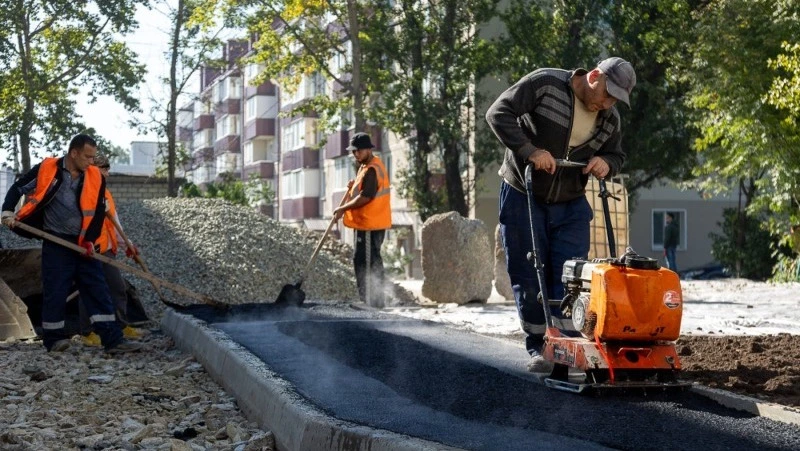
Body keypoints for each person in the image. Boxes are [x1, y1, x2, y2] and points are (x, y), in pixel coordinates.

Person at [485, 57, 636, 372]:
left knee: (572, 278)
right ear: (594, 75)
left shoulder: (609, 118)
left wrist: (607, 163)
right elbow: (498, 113)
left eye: (616, 100)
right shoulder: (546, 84)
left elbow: (616, 153)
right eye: (608, 94)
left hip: (570, 201)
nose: (609, 104)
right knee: (528, 273)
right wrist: (530, 152)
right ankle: (539, 346)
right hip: (523, 194)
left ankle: (566, 345)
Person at [1, 134, 141, 354]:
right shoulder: (48, 168)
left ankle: (113, 340)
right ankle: (54, 340)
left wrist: (89, 240)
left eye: (93, 157)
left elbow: (96, 214)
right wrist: (7, 212)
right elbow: (18, 188)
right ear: (73, 153)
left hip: (83, 242)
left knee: (97, 289)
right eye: (87, 156)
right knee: (56, 289)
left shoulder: (95, 176)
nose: (91, 161)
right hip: (56, 240)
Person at [79, 154, 146, 346]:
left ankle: (121, 325)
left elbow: (114, 225)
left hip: (106, 250)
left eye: (107, 169)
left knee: (117, 287)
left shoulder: (106, 194)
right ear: (92, 169)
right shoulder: (82, 191)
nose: (107, 173)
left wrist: (128, 245)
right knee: (89, 290)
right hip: (89, 249)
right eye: (104, 169)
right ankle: (87, 332)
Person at [333, 132, 392, 307]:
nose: (355, 154)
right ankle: (373, 301)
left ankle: (371, 302)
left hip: (370, 225)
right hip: (368, 224)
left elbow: (366, 197)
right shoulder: (365, 167)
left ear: (368, 149)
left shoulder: (372, 169)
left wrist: (342, 209)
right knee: (367, 260)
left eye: (358, 151)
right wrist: (353, 187)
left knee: (366, 262)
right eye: (353, 152)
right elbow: (362, 190)